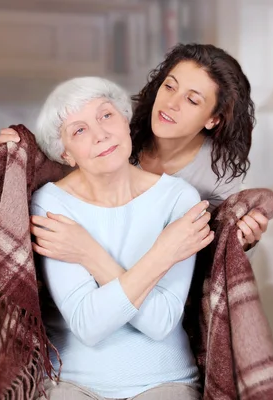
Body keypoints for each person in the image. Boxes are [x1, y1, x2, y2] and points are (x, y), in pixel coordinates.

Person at [0, 43, 269, 259]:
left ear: (214, 119)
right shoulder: (116, 119)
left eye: (192, 99)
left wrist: (246, 241)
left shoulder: (218, 175)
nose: (171, 103)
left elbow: (219, 253)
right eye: (169, 86)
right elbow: (69, 145)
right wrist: (30, 149)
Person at [30, 76, 210, 399]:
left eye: (106, 115)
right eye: (79, 130)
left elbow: (160, 322)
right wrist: (164, 252)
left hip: (165, 380)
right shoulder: (51, 204)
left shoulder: (179, 198)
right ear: (65, 154)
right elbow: (89, 325)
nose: (100, 135)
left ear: (126, 122)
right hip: (73, 383)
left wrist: (88, 253)